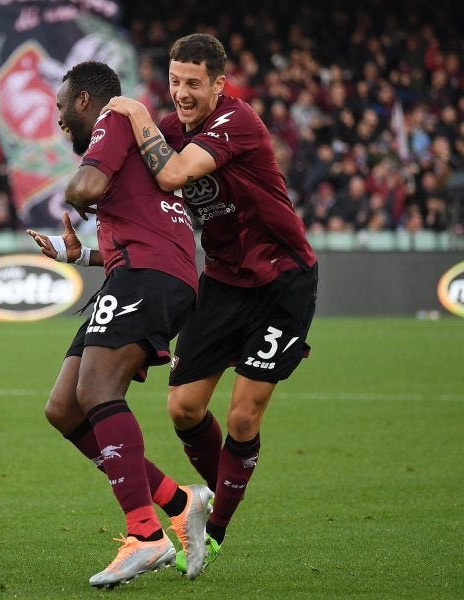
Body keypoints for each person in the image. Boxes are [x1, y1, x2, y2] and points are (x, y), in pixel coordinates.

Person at [91, 33, 317, 575]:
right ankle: (205, 502)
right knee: (183, 408)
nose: (183, 93)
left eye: (194, 83)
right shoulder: (168, 129)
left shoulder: (237, 123)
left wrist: (134, 111)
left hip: (282, 281)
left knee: (243, 414)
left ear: (219, 83)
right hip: (222, 282)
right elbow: (138, 192)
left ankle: (213, 534)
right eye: (174, 82)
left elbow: (169, 174)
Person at [27, 61, 212, 589]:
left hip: (149, 277)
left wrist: (74, 191)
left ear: (84, 100)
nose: (60, 119)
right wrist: (79, 254)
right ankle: (180, 502)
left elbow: (85, 187)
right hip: (135, 274)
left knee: (98, 390)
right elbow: (137, 219)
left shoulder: (113, 119)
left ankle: (145, 536)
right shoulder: (130, 144)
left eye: (62, 108)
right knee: (64, 408)